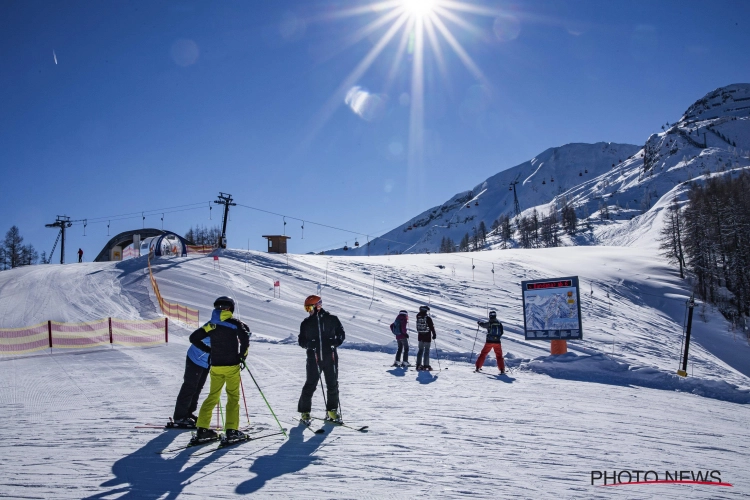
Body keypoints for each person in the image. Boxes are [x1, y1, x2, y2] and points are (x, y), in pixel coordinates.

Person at [189, 296, 251, 443]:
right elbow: (245, 339)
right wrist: (242, 356)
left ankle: (202, 430)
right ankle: (231, 431)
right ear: (231, 308)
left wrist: (209, 351)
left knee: (213, 396)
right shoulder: (234, 323)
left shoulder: (211, 324)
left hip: (216, 366)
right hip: (231, 366)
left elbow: (193, 338)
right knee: (233, 397)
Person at [298, 295, 345, 424]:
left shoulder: (332, 319)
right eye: (306, 308)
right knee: (310, 385)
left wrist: (335, 342)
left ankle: (332, 410)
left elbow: (341, 334)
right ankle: (305, 412)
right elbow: (301, 341)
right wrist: (308, 344)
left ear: (318, 306)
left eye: (310, 307)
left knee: (332, 384)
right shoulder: (306, 323)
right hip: (314, 358)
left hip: (331, 357)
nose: (309, 311)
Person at [171, 334, 211, 428]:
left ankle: (188, 413)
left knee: (198, 387)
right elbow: (194, 338)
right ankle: (180, 417)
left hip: (206, 360)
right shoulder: (216, 325)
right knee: (190, 386)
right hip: (196, 357)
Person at [415, 305, 436, 371]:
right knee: (426, 351)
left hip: (420, 336)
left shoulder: (418, 317)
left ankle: (418, 365)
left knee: (420, 350)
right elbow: (431, 327)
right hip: (427, 337)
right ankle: (426, 365)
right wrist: (434, 334)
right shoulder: (428, 318)